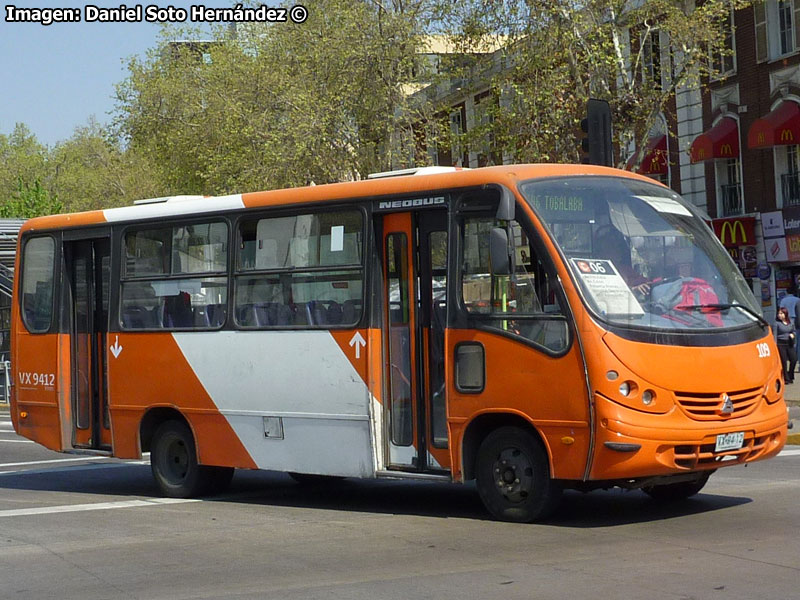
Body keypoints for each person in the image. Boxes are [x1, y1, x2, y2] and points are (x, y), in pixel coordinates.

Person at [779, 284, 800, 368]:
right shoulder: (798, 299)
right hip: (796, 319)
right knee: (797, 340)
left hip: (787, 320)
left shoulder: (783, 300)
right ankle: (796, 357)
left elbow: (781, 309)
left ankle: (789, 355)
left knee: (787, 337)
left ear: (787, 292)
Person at [776, 307, 797, 383]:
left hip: (789, 342)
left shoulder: (790, 322)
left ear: (785, 314)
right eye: (779, 313)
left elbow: (794, 331)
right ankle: (786, 378)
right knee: (784, 361)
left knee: (794, 359)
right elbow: (774, 334)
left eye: (781, 313)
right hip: (780, 343)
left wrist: (793, 334)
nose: (780, 315)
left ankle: (790, 375)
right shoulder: (777, 324)